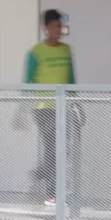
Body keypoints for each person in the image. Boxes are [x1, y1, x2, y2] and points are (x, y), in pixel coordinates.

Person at [24, 10, 75, 197]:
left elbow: (71, 79)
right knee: (53, 146)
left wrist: (76, 103)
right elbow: (27, 82)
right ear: (46, 28)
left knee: (63, 147)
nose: (59, 30)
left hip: (64, 108)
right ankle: (51, 193)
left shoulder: (66, 50)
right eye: (55, 26)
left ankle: (40, 174)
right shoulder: (36, 52)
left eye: (60, 26)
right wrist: (22, 110)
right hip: (44, 108)